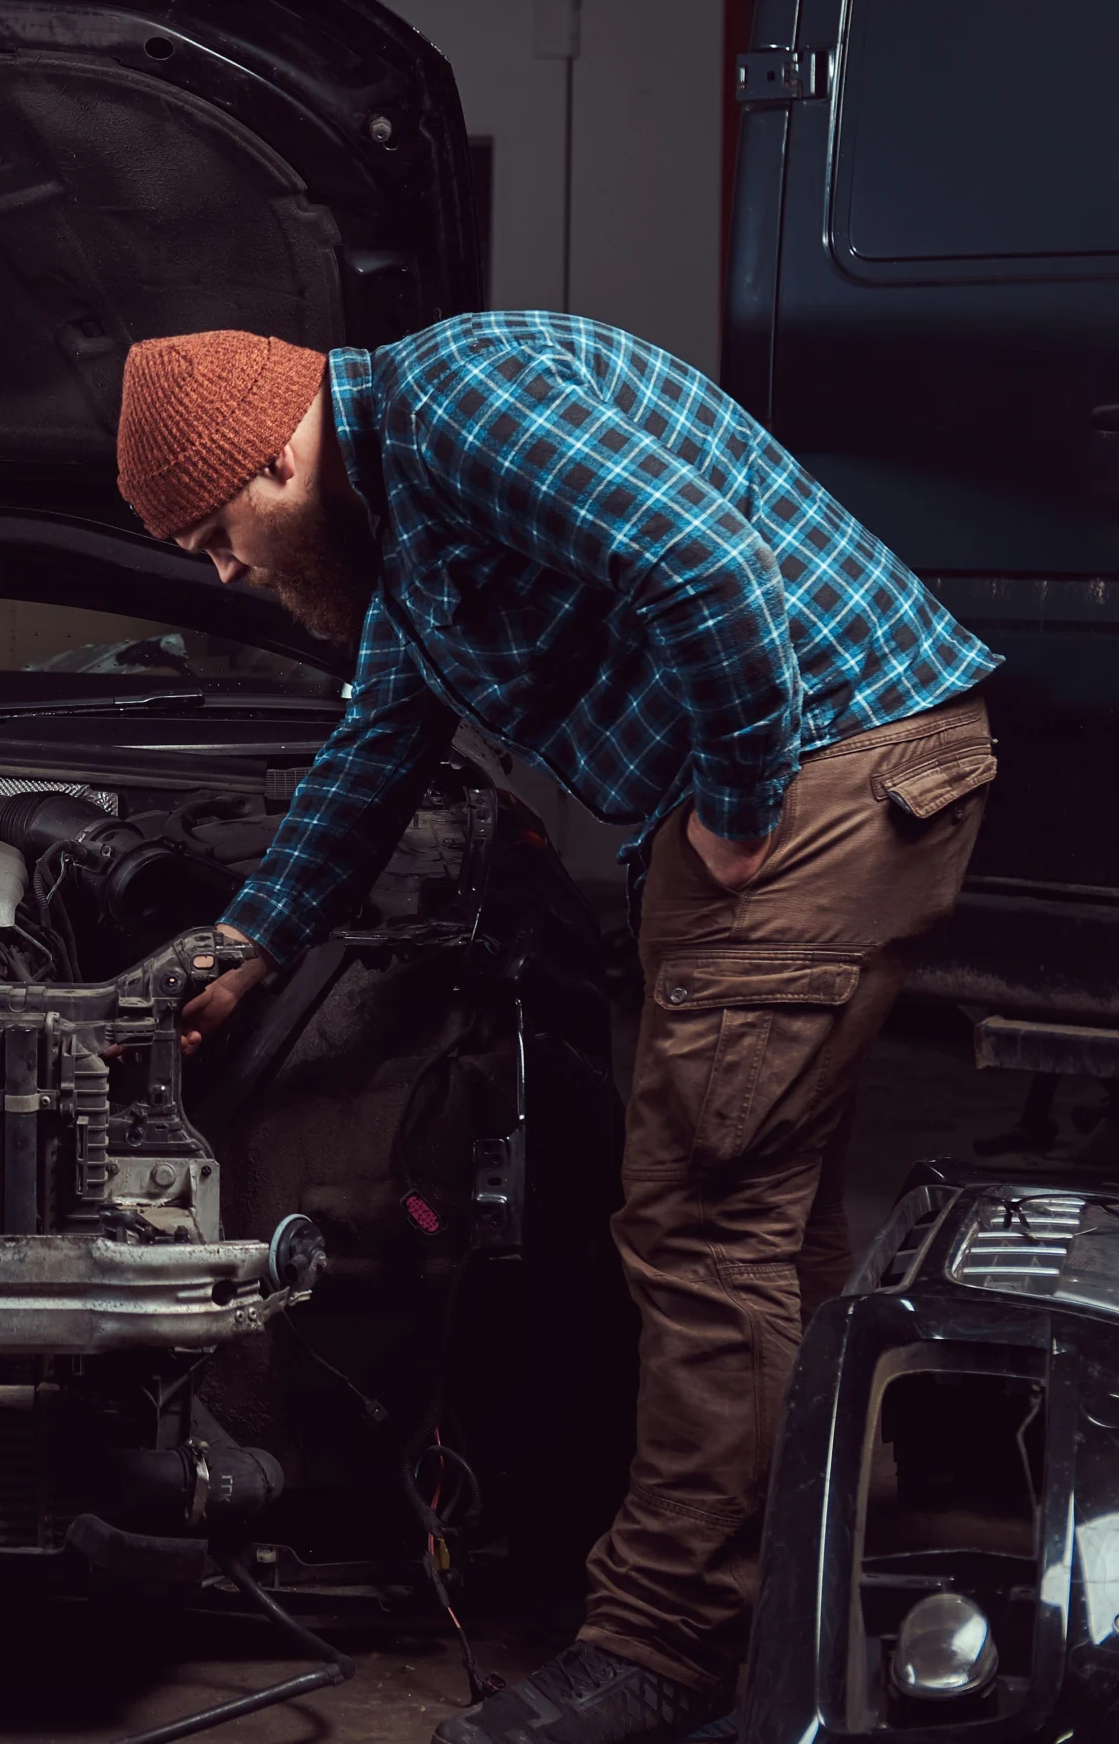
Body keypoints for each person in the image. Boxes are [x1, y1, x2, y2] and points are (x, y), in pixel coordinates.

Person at [115, 314, 998, 1744]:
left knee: (700, 1230)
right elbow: (376, 748)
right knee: (776, 1228)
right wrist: (246, 941)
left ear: (280, 458)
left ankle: (663, 1655)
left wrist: (737, 799)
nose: (226, 574)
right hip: (858, 762)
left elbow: (709, 567)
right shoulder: (404, 532)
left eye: (218, 535)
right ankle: (830, 1568)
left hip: (836, 773)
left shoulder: (463, 406)